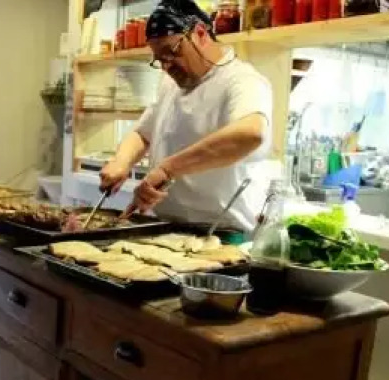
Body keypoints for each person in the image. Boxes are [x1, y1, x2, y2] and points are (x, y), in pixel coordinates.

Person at [100, 0, 274, 232]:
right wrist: (121, 162)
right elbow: (143, 133)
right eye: (159, 59)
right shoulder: (170, 84)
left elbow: (250, 134)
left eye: (172, 52)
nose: (166, 66)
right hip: (167, 227)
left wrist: (166, 170)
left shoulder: (242, 80)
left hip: (222, 232)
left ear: (200, 33)